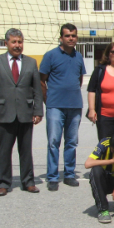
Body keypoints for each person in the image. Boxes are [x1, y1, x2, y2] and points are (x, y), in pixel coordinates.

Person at [0, 28, 44, 196]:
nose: (17, 45)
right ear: (6, 43)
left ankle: (28, 182)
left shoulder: (31, 63)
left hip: (26, 114)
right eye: (14, 42)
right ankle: (3, 183)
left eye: (20, 42)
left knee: (26, 150)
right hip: (4, 114)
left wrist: (38, 111)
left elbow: (36, 90)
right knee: (4, 150)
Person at [40, 23, 86, 191]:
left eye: (73, 35)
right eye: (67, 35)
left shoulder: (79, 57)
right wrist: (48, 100)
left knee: (72, 142)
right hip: (55, 106)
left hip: (74, 106)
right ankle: (52, 177)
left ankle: (69, 174)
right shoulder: (50, 55)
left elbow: (79, 80)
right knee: (53, 142)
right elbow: (41, 80)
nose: (71, 38)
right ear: (61, 37)